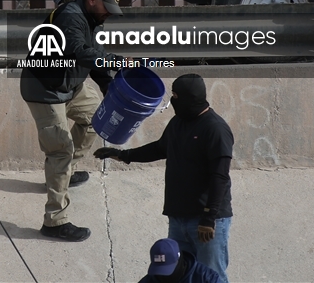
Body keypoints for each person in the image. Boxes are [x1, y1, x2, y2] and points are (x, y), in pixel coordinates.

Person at [95, 74, 233, 283]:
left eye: (176, 96)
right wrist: (124, 155)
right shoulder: (178, 122)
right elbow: (160, 148)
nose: (172, 101)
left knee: (210, 276)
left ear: (190, 98)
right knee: (174, 276)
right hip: (178, 218)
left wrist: (209, 217)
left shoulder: (215, 129)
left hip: (205, 222)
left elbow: (220, 176)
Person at [22, 0, 123, 242]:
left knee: (95, 120)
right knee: (60, 151)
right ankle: (54, 222)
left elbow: (94, 56)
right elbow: (79, 52)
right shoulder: (70, 17)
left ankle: (65, 172)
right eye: (106, 9)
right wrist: (120, 61)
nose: (108, 15)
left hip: (71, 86)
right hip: (45, 90)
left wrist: (108, 85)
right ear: (92, 0)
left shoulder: (92, 20)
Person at [138, 238, 221, 283]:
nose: (163, 276)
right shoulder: (150, 280)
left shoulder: (207, 278)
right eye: (160, 271)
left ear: (179, 261)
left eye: (168, 270)